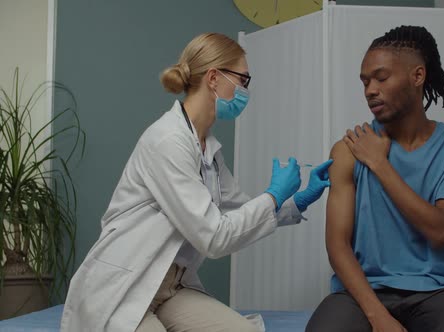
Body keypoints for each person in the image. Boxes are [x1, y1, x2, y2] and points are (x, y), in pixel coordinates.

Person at [60, 32, 332, 332]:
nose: (245, 90)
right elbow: (215, 238)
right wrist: (273, 194)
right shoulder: (168, 141)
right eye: (243, 79)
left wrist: (296, 201)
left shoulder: (208, 149)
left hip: (170, 287)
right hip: (126, 286)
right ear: (214, 79)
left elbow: (240, 212)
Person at [305, 26, 444, 332]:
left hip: (438, 289)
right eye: (364, 82)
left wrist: (380, 164)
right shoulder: (348, 151)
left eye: (381, 77)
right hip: (363, 290)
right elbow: (337, 245)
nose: (370, 90)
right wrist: (378, 317)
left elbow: (441, 230)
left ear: (417, 76)